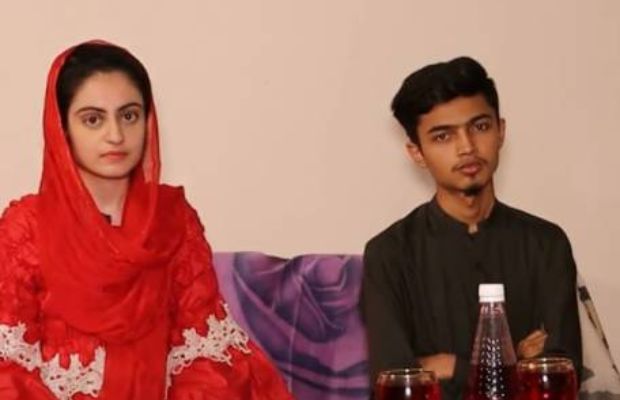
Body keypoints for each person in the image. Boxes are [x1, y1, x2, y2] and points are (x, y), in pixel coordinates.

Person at [0, 41, 292, 400]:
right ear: (62, 129)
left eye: (129, 116)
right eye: (93, 119)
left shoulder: (173, 221)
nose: (115, 135)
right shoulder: (26, 229)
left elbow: (202, 358)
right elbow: (8, 373)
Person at [360, 56, 582, 399]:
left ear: (501, 131)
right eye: (443, 136)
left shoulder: (546, 243)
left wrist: (447, 366)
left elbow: (560, 376)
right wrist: (515, 367)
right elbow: (396, 385)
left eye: (479, 127)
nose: (466, 147)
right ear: (417, 153)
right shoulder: (389, 253)